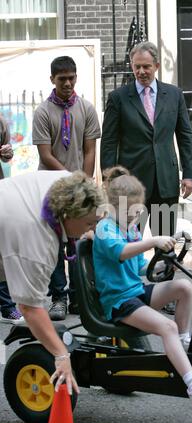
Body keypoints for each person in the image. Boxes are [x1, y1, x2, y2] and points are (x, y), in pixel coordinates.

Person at [93, 168, 192, 405]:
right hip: (118, 301)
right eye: (129, 212)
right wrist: (153, 241)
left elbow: (139, 268)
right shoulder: (105, 229)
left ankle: (185, 340)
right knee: (167, 327)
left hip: (134, 292)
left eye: (137, 212)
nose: (134, 217)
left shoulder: (130, 228)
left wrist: (163, 268)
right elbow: (121, 253)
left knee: (183, 287)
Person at [0, 170, 105, 394]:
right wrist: (61, 354)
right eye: (89, 223)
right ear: (69, 215)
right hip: (15, 224)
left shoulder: (70, 183)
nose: (93, 228)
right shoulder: (37, 244)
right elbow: (29, 308)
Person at [100, 41, 192, 238]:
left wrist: (188, 174)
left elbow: (185, 136)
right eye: (137, 67)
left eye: (146, 66)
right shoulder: (118, 98)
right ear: (132, 66)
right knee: (129, 242)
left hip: (165, 182)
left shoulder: (174, 95)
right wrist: (109, 179)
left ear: (157, 66)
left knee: (165, 242)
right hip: (131, 184)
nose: (142, 71)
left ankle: (165, 270)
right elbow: (109, 141)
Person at [32, 55, 101, 321]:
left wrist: (83, 181)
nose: (68, 83)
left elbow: (90, 148)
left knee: (79, 241)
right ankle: (58, 297)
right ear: (52, 80)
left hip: (79, 186)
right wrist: (69, 180)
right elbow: (45, 154)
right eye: (62, 79)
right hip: (50, 186)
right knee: (54, 244)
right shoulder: (43, 112)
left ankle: (78, 296)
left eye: (72, 78)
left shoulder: (86, 108)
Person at [0, 116, 25, 325]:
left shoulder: (1, 122)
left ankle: (7, 306)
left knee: (3, 247)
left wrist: (7, 153)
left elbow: (7, 155)